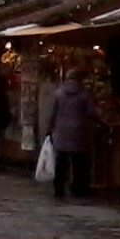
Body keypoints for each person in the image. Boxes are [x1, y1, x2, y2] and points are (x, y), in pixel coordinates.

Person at [46, 68, 95, 199]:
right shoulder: (85, 94)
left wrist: (49, 129)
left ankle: (59, 187)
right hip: (79, 130)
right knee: (79, 162)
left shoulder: (59, 93)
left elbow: (53, 113)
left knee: (61, 161)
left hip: (61, 131)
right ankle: (78, 187)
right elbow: (91, 112)